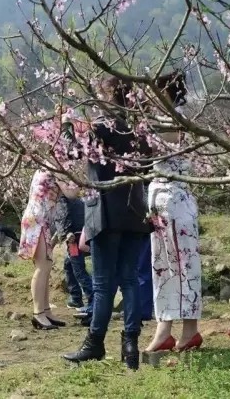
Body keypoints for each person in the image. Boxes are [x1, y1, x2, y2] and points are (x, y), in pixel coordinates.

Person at [62, 76, 152, 370]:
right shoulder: (141, 129)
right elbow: (149, 167)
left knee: (102, 285)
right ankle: (130, 345)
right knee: (129, 280)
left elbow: (71, 152)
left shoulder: (100, 126)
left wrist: (66, 126)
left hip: (104, 213)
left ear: (105, 96)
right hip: (135, 213)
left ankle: (94, 344)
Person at [145, 72, 202, 353]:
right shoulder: (162, 116)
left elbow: (165, 138)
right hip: (161, 200)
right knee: (163, 265)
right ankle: (166, 328)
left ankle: (186, 330)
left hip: (175, 200)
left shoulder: (177, 116)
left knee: (183, 265)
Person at [19, 169, 66, 330]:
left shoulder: (46, 167)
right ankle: (38, 313)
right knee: (42, 266)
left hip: (40, 219)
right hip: (37, 219)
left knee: (46, 266)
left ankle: (45, 311)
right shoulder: (55, 168)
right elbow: (72, 192)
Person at [54, 188, 93, 313]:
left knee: (78, 269)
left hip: (73, 239)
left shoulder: (62, 200)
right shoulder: (77, 197)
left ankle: (92, 298)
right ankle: (75, 297)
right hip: (81, 234)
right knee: (68, 264)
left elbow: (62, 217)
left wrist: (66, 233)